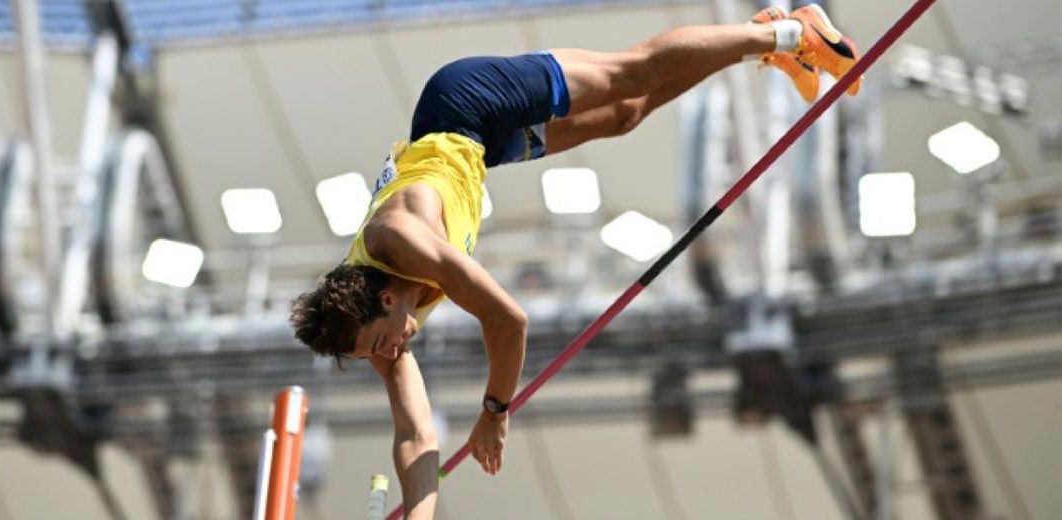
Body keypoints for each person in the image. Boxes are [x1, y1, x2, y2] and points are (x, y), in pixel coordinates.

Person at [290, 4, 860, 517]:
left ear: (385, 299)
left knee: (626, 75)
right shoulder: (374, 322)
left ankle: (791, 30)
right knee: (624, 115)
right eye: (378, 353)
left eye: (380, 344)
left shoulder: (400, 241)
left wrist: (495, 409)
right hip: (481, 149)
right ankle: (757, 37)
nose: (390, 355)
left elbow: (508, 319)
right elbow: (414, 437)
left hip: (463, 103)